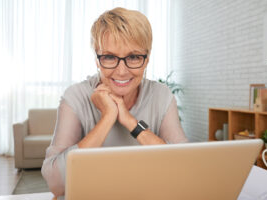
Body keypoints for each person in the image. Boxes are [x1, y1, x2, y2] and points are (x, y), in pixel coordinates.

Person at [41, 7, 188, 198]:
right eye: (109, 57)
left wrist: (130, 121)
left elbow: (183, 168)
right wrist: (108, 117)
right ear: (97, 59)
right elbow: (56, 184)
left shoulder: (162, 96)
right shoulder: (75, 97)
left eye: (133, 57)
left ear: (146, 60)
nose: (121, 71)